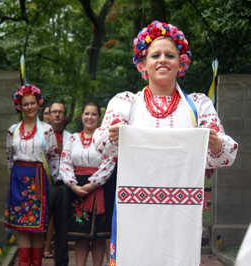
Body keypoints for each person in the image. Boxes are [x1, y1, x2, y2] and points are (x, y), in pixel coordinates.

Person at [93, 21, 238, 264]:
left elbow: (227, 154)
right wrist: (113, 134)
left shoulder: (198, 106)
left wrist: (213, 143)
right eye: (155, 55)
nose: (163, 60)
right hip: (135, 213)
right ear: (143, 64)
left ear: (181, 64)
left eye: (170, 55)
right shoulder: (126, 103)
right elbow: (100, 144)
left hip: (181, 216)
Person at [5, 84, 59, 266]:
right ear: (19, 106)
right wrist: (13, 180)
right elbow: (9, 158)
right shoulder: (12, 130)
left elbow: (53, 158)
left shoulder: (47, 130)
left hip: (39, 180)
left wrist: (52, 181)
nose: (29, 107)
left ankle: (36, 264)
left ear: (39, 104)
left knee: (37, 227)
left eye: (33, 103)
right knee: (22, 226)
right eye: (25, 104)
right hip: (17, 180)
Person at [60, 102, 116, 266]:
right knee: (80, 235)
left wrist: (93, 184)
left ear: (99, 118)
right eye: (86, 114)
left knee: (99, 236)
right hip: (77, 189)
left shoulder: (105, 140)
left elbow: (108, 164)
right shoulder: (72, 139)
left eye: (93, 114)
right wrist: (73, 185)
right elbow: (65, 162)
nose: (89, 117)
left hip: (99, 188)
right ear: (81, 116)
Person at [43, 102, 72, 264]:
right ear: (48, 115)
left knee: (61, 227)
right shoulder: (41, 135)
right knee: (38, 221)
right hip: (43, 183)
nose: (57, 114)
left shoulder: (71, 138)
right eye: (54, 111)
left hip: (62, 185)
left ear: (65, 116)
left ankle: (61, 262)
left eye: (61, 112)